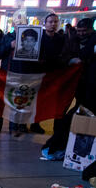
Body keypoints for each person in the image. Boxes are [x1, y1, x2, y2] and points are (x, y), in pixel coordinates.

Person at [41, 18, 96, 161]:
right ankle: (57, 146)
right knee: (69, 116)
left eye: (85, 31)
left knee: (75, 115)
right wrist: (71, 61)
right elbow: (63, 57)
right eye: (79, 31)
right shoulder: (72, 40)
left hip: (92, 87)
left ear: (91, 30)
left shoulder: (92, 41)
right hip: (77, 85)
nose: (82, 34)